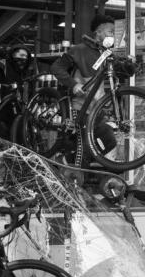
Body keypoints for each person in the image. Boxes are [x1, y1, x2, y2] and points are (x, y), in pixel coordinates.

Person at [50, 14, 135, 165]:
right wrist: (73, 84)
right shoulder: (79, 50)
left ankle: (64, 161)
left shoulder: (107, 54)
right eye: (110, 31)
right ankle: (71, 171)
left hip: (96, 111)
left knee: (109, 141)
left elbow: (124, 73)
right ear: (98, 32)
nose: (112, 36)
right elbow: (56, 67)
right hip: (79, 108)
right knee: (84, 149)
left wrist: (131, 65)